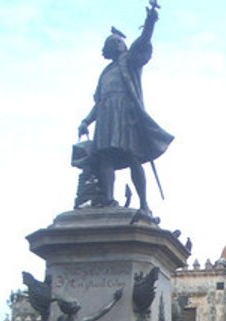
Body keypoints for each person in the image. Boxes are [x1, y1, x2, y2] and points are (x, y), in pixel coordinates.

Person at [78, 1, 173, 218]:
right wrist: (86, 120)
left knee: (133, 158)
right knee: (105, 159)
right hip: (106, 116)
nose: (116, 44)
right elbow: (99, 102)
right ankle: (109, 199)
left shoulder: (129, 62)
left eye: (118, 41)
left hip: (126, 115)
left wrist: (150, 21)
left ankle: (144, 204)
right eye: (113, 42)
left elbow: (143, 42)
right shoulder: (106, 73)